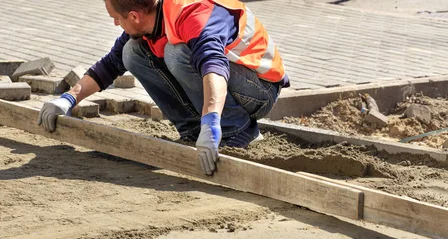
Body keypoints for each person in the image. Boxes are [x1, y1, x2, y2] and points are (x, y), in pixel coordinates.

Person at [38, 0, 289, 175]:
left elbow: (214, 66)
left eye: (116, 18)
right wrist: (68, 99)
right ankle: (193, 131)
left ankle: (237, 131)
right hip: (232, 81)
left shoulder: (191, 15)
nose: (116, 24)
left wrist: (212, 122)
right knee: (131, 52)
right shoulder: (155, 17)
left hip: (261, 89)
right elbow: (110, 65)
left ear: (134, 16)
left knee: (177, 53)